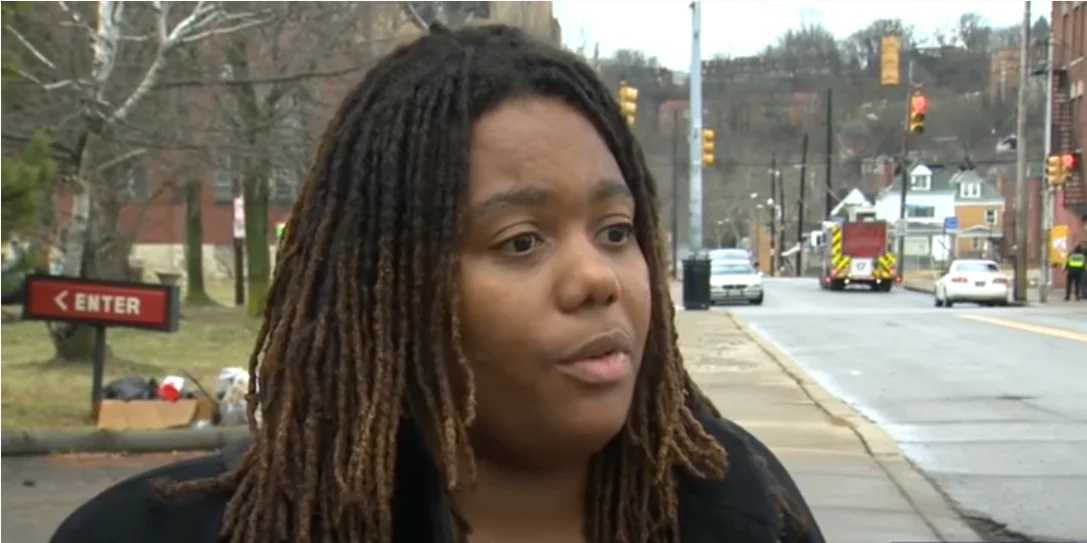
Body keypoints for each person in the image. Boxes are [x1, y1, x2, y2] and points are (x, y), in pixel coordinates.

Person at [50, 23, 824, 543]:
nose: (596, 277)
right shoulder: (153, 533)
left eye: (615, 231)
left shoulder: (740, 505)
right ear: (389, 290)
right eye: (520, 241)